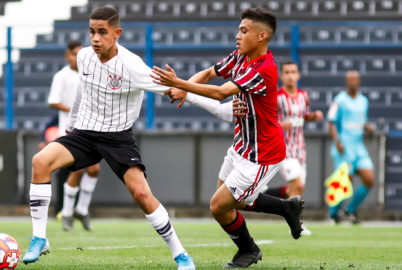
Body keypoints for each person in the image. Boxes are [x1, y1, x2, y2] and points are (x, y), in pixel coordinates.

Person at [22, 7, 195, 270]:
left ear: (117, 33)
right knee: (40, 162)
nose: (95, 38)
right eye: (92, 31)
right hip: (84, 133)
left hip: (118, 138)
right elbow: (83, 88)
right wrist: (70, 126)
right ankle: (39, 237)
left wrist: (186, 92)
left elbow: (172, 88)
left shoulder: (132, 65)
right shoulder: (83, 57)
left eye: (102, 32)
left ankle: (181, 254)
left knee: (141, 194)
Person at [152, 8, 304, 268]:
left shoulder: (265, 68)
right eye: (238, 29)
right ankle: (285, 208)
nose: (238, 35)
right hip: (241, 146)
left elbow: (221, 91)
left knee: (219, 206)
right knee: (228, 201)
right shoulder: (239, 56)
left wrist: (181, 85)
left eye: (244, 31)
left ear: (262, 36)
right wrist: (182, 87)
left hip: (263, 155)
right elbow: (210, 73)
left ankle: (248, 250)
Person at [262, 61, 323, 236]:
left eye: (293, 72)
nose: (290, 75)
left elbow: (303, 117)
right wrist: (281, 125)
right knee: (296, 183)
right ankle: (297, 225)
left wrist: (314, 116)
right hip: (283, 149)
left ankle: (267, 191)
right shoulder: (277, 97)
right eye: (287, 72)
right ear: (282, 76)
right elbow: (267, 122)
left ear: (298, 75)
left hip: (300, 149)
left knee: (296, 189)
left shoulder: (304, 96)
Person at [47, 40, 100, 232]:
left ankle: (81, 209)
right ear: (67, 56)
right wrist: (73, 108)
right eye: (74, 54)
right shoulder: (61, 76)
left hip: (91, 129)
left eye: (81, 53)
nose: (77, 58)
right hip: (69, 131)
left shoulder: (92, 73)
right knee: (78, 170)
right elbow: (53, 101)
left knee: (94, 170)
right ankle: (68, 213)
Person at [327, 70, 374, 224]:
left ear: (359, 81)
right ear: (347, 81)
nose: (353, 81)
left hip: (358, 146)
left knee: (369, 179)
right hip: (344, 146)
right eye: (350, 79)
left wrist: (367, 127)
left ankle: (350, 210)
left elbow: (360, 119)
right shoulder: (339, 100)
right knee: (344, 182)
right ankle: (334, 213)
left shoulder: (364, 101)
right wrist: (337, 141)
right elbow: (331, 121)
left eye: (356, 79)